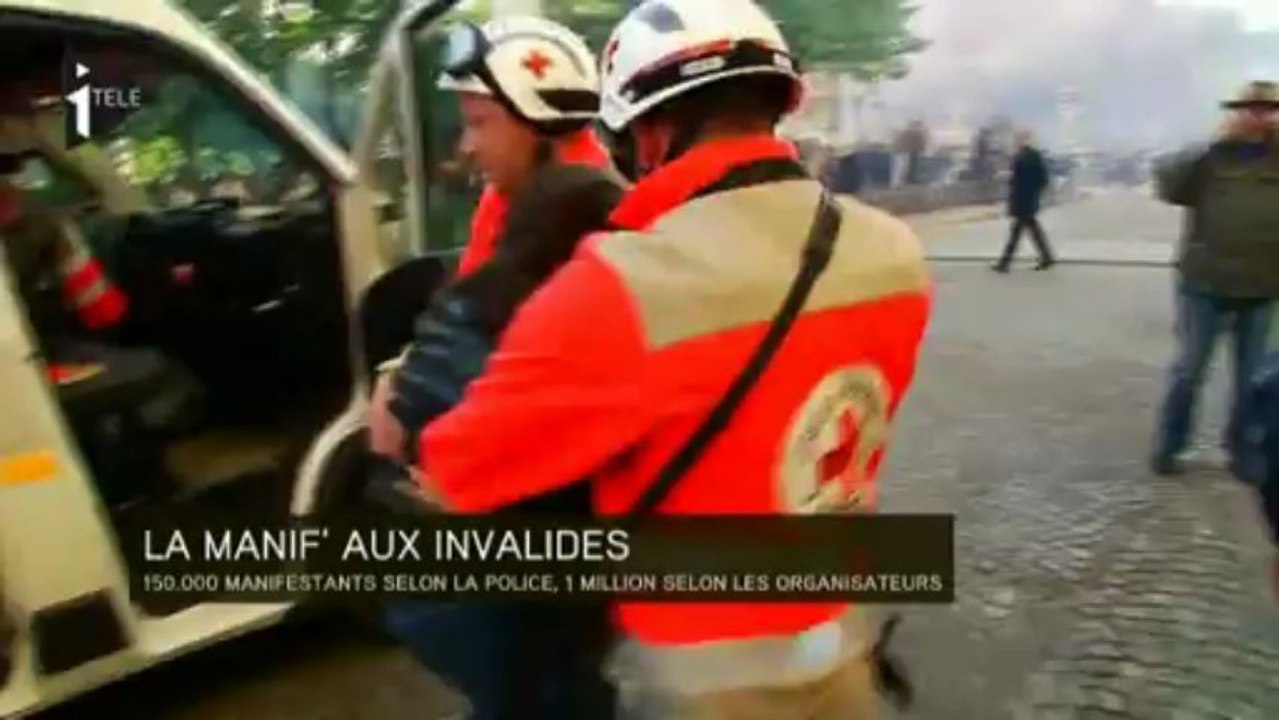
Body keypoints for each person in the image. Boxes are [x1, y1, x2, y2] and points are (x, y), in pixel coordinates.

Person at [413, 0, 932, 716]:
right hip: (844, 644)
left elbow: (458, 471)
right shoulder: (895, 252)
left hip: (700, 680)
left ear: (649, 134)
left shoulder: (621, 285)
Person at [363, 16, 623, 720]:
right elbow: (470, 303)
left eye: (479, 123)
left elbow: (486, 348)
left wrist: (406, 396)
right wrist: (402, 372)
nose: (466, 146)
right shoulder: (511, 204)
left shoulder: (583, 216)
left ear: (538, 125)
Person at [1150, 80, 1279, 477]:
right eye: (1251, 109)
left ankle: (1242, 450)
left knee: (1252, 377)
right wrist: (1209, 144)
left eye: (1268, 110)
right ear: (1236, 112)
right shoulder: (1211, 157)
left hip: (1262, 283)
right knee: (1189, 370)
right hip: (1205, 282)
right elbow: (1168, 185)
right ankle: (1169, 445)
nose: (1260, 117)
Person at [993, 130, 1055, 272]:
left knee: (1017, 233)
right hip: (1025, 199)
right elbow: (1040, 178)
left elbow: (1037, 178)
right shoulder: (1028, 156)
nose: (1017, 141)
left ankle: (1004, 263)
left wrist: (1026, 189)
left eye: (1019, 139)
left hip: (1024, 199)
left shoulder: (1029, 156)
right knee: (1030, 230)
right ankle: (1046, 257)